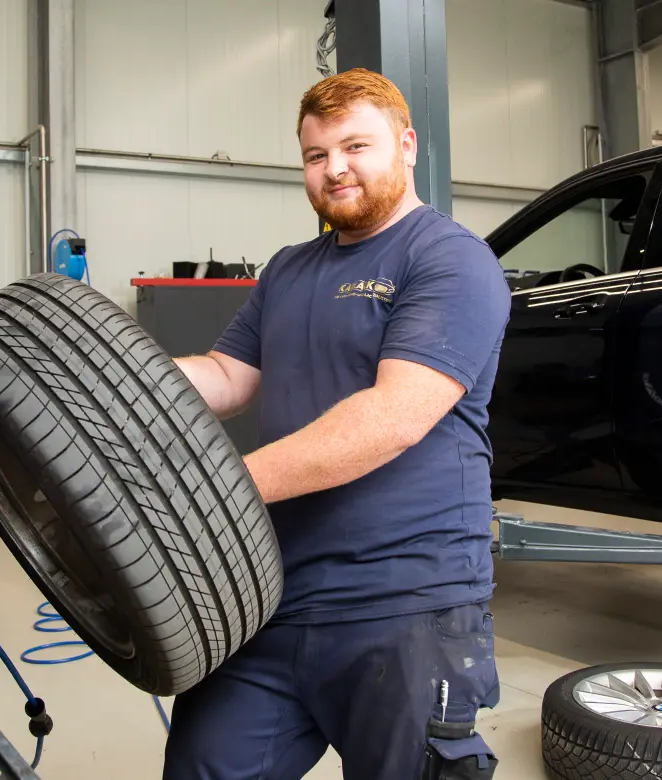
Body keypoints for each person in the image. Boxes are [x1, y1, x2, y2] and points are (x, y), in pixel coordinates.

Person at [164, 68, 511, 780]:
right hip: (272, 595)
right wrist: (115, 376)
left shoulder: (449, 259)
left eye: (356, 146)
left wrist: (220, 488)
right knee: (205, 764)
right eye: (317, 156)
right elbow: (228, 377)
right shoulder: (290, 269)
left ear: (407, 145)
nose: (335, 169)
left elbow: (392, 418)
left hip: (407, 601)